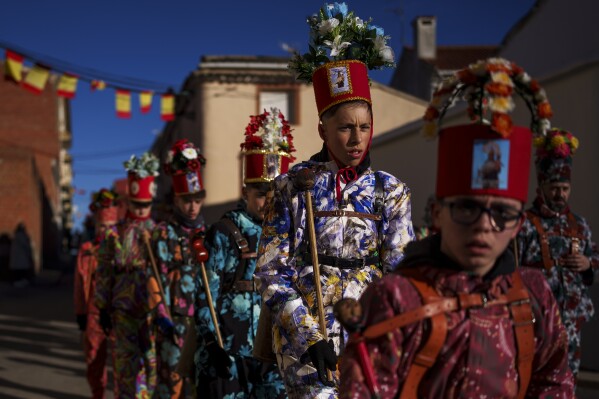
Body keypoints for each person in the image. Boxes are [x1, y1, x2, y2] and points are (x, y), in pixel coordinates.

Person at [337, 57, 574, 398]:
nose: (482, 227)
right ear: (436, 213)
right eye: (466, 207)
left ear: (519, 224)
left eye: (502, 214)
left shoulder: (534, 296)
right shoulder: (395, 299)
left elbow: (554, 384)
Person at [255, 3, 414, 397]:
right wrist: (310, 336)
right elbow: (271, 272)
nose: (357, 138)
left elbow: (402, 276)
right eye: (345, 128)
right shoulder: (293, 186)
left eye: (364, 127)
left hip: (368, 341)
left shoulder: (391, 191)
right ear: (323, 129)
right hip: (306, 347)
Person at [193, 108, 290, 398]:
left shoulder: (290, 235)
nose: (267, 201)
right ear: (245, 191)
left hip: (273, 352)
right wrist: (212, 345)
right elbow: (204, 293)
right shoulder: (222, 232)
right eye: (260, 193)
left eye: (274, 194)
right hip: (229, 349)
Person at [517, 127, 599, 380]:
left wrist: (587, 264)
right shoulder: (526, 224)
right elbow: (512, 267)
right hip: (537, 319)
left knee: (568, 379)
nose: (560, 194)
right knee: (534, 378)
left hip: (573, 321)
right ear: (542, 186)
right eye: (554, 187)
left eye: (565, 188)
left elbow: (594, 256)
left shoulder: (580, 224)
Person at [95, 152, 160, 399]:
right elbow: (103, 271)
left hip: (151, 310)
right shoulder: (114, 234)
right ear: (129, 202)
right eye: (137, 205)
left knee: (150, 365)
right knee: (124, 366)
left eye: (146, 205)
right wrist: (102, 307)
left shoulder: (158, 232)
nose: (141, 210)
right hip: (122, 308)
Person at [150, 139, 208, 398]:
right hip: (173, 321)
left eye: (197, 199)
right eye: (186, 200)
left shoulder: (209, 234)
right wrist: (162, 315)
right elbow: (155, 278)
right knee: (170, 384)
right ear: (176, 199)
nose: (192, 206)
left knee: (198, 386)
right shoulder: (163, 234)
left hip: (203, 322)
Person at [73, 188, 119, 399]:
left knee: (121, 364)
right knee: (93, 361)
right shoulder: (87, 249)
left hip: (119, 313)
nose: (107, 231)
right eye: (103, 226)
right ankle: (97, 395)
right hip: (93, 313)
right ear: (96, 225)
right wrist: (81, 313)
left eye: (111, 226)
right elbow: (79, 283)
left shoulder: (123, 249)